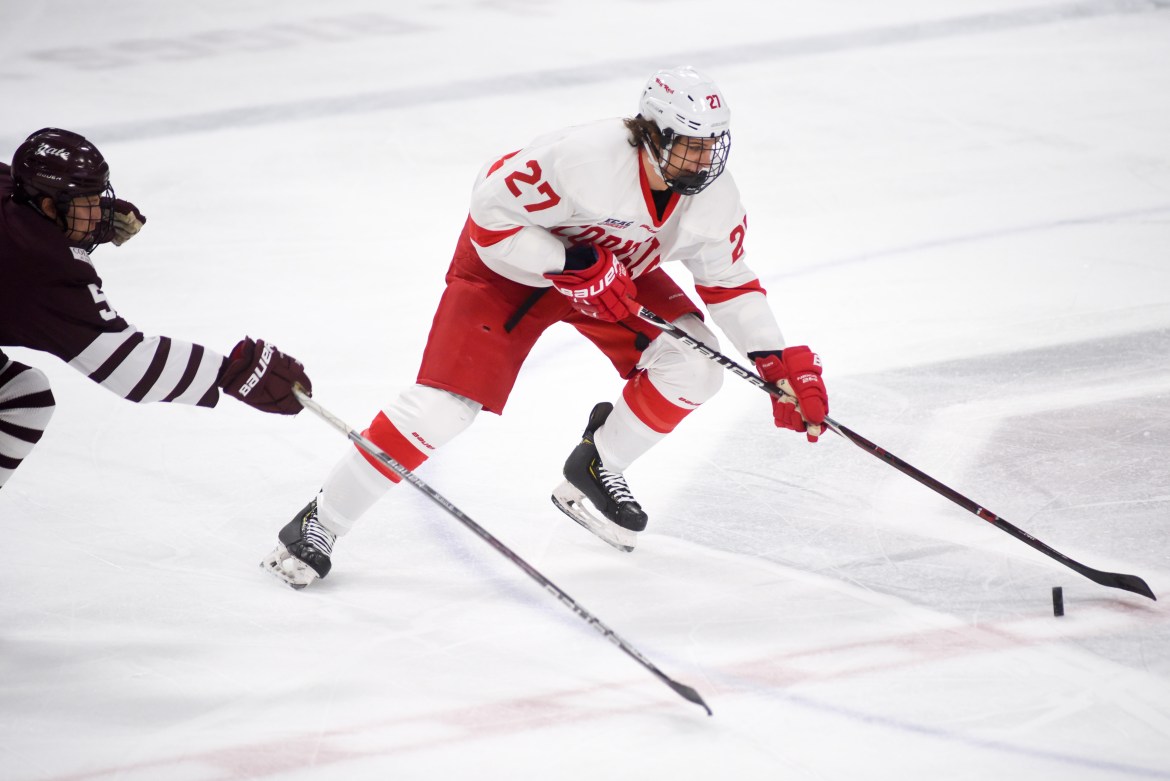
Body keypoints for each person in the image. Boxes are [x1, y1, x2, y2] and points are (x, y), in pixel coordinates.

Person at [262, 66, 830, 589]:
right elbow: (490, 218)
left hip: (615, 276)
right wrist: (570, 263)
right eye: (688, 146)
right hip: (508, 271)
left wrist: (774, 362)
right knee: (442, 409)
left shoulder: (714, 196)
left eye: (711, 146)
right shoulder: (583, 157)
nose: (702, 162)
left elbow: (728, 282)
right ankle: (322, 519)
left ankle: (597, 464)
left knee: (698, 365)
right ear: (652, 133)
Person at [0, 127, 313, 494]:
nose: (100, 208)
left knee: (21, 395)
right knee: (22, 397)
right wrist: (230, 373)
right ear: (50, 206)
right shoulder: (42, 264)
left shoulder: (12, 189)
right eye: (87, 201)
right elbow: (128, 365)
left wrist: (80, 219)